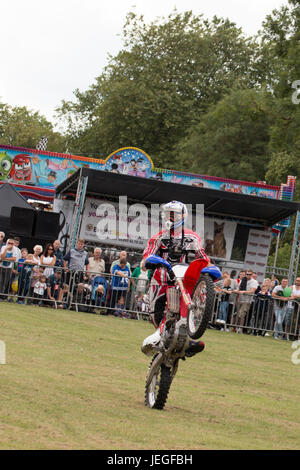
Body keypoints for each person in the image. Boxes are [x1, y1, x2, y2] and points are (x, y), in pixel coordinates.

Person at [141, 200, 211, 358]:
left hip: (181, 279)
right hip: (160, 279)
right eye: (167, 214)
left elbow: (202, 256)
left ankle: (185, 340)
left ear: (182, 216)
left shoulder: (192, 237)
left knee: (182, 310)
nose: (169, 217)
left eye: (173, 214)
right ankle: (162, 337)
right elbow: (147, 254)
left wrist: (208, 267)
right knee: (154, 314)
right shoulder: (158, 237)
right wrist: (148, 260)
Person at [233, 269, 257, 333]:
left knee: (241, 314)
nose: (248, 275)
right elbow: (239, 288)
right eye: (247, 274)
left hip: (247, 300)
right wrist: (236, 291)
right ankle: (236, 328)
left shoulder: (254, 282)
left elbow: (252, 291)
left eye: (250, 274)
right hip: (240, 299)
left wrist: (244, 292)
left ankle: (240, 328)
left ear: (252, 275)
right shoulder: (243, 280)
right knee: (237, 314)